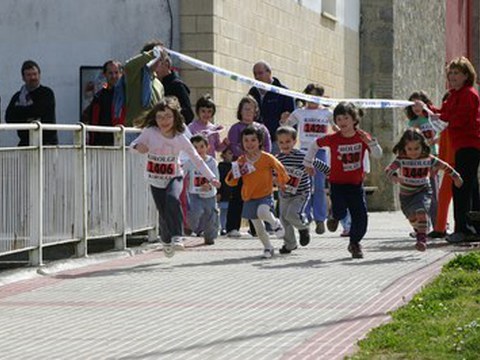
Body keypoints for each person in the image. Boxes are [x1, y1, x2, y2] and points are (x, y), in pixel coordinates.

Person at [131, 97, 220, 258]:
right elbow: (132, 146)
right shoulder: (150, 132)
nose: (164, 121)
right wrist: (139, 147)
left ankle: (178, 236)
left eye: (168, 116)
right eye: (160, 117)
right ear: (155, 118)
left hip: (174, 175)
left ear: (175, 117)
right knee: (164, 212)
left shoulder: (180, 137)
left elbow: (197, 159)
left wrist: (211, 177)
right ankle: (166, 239)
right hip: (155, 178)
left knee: (173, 199)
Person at [304, 102, 383, 259]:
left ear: (354, 119)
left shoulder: (362, 137)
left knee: (361, 217)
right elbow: (315, 144)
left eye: (346, 118)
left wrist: (372, 143)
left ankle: (355, 243)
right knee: (340, 211)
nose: (342, 122)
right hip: (337, 184)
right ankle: (334, 215)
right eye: (338, 119)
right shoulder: (333, 138)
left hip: (355, 185)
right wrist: (308, 162)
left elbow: (378, 155)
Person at [416, 56, 480, 243]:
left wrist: (441, 119)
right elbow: (443, 113)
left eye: (457, 73)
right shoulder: (454, 95)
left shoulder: (468, 94)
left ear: (466, 75)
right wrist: (427, 109)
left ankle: (464, 229)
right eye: (450, 73)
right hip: (462, 145)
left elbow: (458, 119)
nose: (452, 76)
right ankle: (474, 227)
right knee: (470, 187)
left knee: (460, 186)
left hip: (470, 144)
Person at [385, 128, 463, 251]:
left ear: (422, 146)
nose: (413, 152)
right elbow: (389, 170)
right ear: (404, 148)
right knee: (413, 218)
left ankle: (421, 240)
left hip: (423, 191)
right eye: (409, 149)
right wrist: (395, 177)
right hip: (406, 196)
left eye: (416, 148)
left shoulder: (428, 158)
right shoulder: (401, 159)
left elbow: (445, 166)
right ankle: (418, 229)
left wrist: (456, 177)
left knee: (421, 211)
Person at [225, 126, 289, 259]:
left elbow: (280, 168)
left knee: (263, 212)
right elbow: (232, 179)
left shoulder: (267, 158)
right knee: (258, 228)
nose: (249, 144)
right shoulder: (241, 160)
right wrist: (234, 175)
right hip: (249, 197)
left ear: (260, 141)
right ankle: (268, 247)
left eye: (253, 140)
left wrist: (282, 182)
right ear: (241, 143)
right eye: (246, 140)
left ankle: (275, 223)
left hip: (265, 194)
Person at [282, 83, 332, 235]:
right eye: (310, 96)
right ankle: (306, 217)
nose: (312, 100)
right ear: (305, 97)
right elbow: (286, 126)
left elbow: (336, 128)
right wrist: (284, 120)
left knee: (319, 186)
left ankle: (320, 219)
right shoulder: (299, 112)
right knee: (304, 185)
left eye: (316, 96)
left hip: (320, 151)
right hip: (304, 151)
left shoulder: (327, 113)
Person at [275, 126, 330, 254]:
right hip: (284, 193)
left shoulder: (302, 155)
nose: (285, 145)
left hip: (301, 193)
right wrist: (275, 179)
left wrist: (329, 172)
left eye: (288, 141)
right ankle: (290, 244)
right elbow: (272, 173)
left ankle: (303, 227)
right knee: (284, 219)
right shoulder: (278, 159)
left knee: (292, 214)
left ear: (294, 141)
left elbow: (316, 162)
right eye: (281, 142)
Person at [225, 95, 272, 237]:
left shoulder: (261, 128)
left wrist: (259, 160)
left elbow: (267, 147)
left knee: (257, 197)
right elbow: (233, 147)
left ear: (256, 111)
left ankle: (257, 228)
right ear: (240, 111)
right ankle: (233, 228)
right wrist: (247, 159)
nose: (248, 112)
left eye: (251, 109)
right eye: (245, 109)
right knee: (237, 197)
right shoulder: (235, 128)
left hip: (258, 170)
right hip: (241, 168)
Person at [404, 91, 443, 233]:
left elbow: (444, 130)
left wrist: (436, 140)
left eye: (418, 103)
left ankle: (439, 226)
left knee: (434, 193)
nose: (416, 107)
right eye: (413, 104)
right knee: (420, 194)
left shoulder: (432, 119)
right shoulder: (412, 123)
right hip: (418, 163)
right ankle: (422, 227)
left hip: (432, 157)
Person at [6, 60, 58, 146]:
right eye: (29, 75)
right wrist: (29, 114)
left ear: (39, 75)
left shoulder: (47, 93)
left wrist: (19, 112)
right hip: (25, 143)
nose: (33, 77)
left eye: (35, 74)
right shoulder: (17, 96)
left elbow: (38, 110)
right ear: (23, 78)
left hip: (47, 144)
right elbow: (9, 118)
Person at [248, 60, 295, 153]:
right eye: (255, 74)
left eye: (260, 73)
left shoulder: (283, 92)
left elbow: (293, 119)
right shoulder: (252, 92)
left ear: (269, 72)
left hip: (276, 141)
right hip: (257, 141)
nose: (257, 77)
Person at [183, 134, 219, 245]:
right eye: (195, 147)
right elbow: (182, 174)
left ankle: (209, 236)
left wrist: (210, 184)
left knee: (210, 215)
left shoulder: (212, 162)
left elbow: (215, 177)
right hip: (194, 193)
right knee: (195, 211)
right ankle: (190, 226)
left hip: (209, 194)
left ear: (207, 147)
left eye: (201, 146)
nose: (199, 150)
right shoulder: (189, 162)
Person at [82, 60, 123, 145]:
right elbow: (92, 120)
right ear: (105, 74)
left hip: (122, 141)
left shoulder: (127, 94)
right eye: (110, 73)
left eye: (116, 72)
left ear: (121, 74)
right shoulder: (99, 96)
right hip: (103, 143)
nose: (114, 76)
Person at [154, 49, 195, 124]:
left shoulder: (177, 85)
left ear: (166, 64)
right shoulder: (156, 84)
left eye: (156, 63)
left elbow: (188, 114)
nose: (153, 68)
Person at [217, 148, 233, 235]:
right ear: (223, 155)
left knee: (230, 211)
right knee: (223, 210)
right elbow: (220, 179)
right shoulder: (221, 166)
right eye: (229, 153)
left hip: (232, 192)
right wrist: (218, 192)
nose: (231, 155)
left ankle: (229, 227)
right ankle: (223, 227)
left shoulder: (234, 165)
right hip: (224, 192)